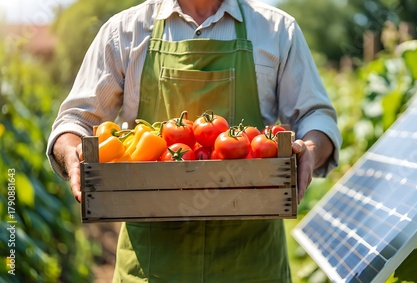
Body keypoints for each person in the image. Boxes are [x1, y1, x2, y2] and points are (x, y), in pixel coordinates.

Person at [47, 0, 342, 282]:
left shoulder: (277, 29)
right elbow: (76, 120)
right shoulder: (124, 31)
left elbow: (316, 116)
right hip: (151, 265)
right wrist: (71, 152)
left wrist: (311, 149)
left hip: (252, 262)